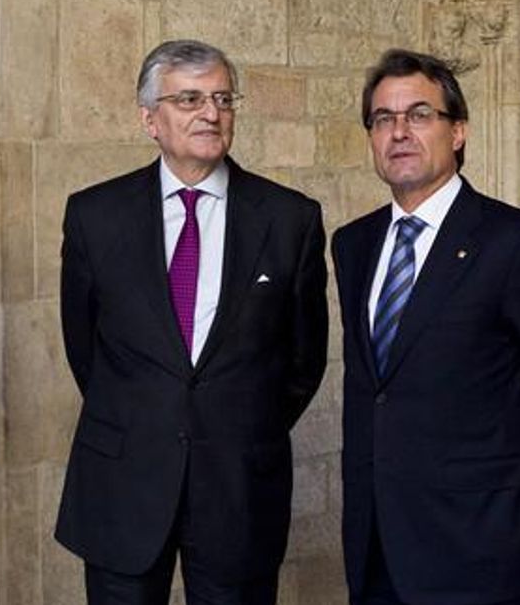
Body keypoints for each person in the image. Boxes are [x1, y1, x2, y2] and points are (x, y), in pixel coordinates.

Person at [54, 39, 328, 605]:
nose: (211, 113)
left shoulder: (289, 218)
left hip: (239, 488)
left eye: (223, 99)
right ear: (149, 118)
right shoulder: (93, 215)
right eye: (190, 99)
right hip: (123, 484)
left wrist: (236, 422)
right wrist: (150, 412)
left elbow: (304, 361)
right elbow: (87, 349)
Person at [332, 49, 520, 605]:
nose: (399, 131)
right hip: (378, 542)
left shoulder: (515, 244)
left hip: (482, 544)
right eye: (383, 119)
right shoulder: (353, 244)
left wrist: (510, 491)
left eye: (420, 114)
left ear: (459, 132)